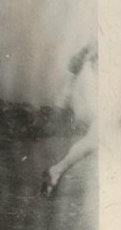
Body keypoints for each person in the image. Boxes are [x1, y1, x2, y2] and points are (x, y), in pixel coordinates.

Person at [40, 40, 98, 197]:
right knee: (98, 137)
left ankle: (56, 170)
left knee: (96, 138)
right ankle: (57, 170)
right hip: (97, 88)